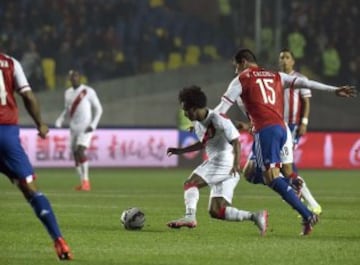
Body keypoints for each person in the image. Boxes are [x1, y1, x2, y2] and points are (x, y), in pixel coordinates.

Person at [214, 48, 356, 235]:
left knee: (271, 177)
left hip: (266, 131)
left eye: (236, 66)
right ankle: (291, 183)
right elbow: (307, 83)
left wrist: (203, 121)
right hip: (282, 129)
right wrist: (334, 90)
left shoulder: (242, 79)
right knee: (250, 172)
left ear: (243, 63)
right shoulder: (276, 75)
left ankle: (307, 214)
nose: (235, 71)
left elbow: (221, 109)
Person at [166, 85, 268, 236]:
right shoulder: (198, 123)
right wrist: (180, 150)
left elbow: (236, 141)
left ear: (194, 108)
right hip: (226, 167)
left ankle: (189, 217)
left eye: (186, 110)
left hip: (224, 162)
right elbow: (203, 143)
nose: (185, 114)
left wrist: (235, 164)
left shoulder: (218, 119)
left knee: (190, 184)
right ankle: (255, 216)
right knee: (217, 211)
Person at [0, 52, 72, 260]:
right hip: (6, 136)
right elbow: (28, 96)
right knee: (30, 189)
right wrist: (39, 123)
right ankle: (59, 241)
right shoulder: (11, 63)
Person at [278, 48, 322, 214]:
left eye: (287, 57)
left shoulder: (300, 79)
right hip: (278, 126)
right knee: (284, 166)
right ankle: (302, 199)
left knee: (287, 166)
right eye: (281, 57)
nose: (283, 60)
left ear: (293, 61)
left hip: (292, 126)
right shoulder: (277, 79)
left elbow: (306, 101)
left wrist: (304, 122)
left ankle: (310, 203)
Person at [55, 70, 103, 191]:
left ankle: (86, 181)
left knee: (80, 151)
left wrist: (93, 125)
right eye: (72, 77)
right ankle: (82, 182)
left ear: (80, 78)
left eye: (76, 76)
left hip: (86, 127)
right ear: (69, 79)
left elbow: (99, 109)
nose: (74, 78)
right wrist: (60, 118)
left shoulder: (88, 91)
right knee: (75, 154)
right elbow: (67, 108)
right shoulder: (68, 93)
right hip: (73, 127)